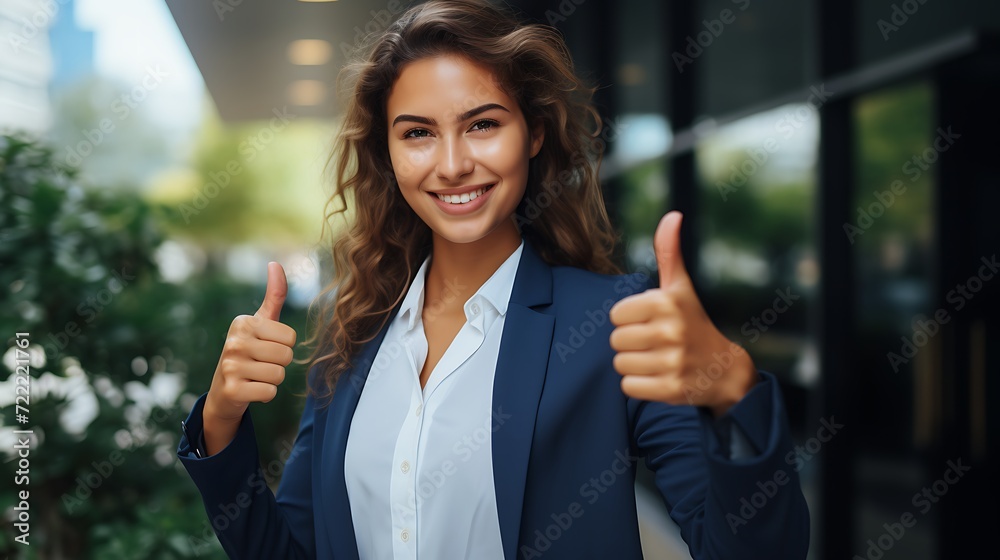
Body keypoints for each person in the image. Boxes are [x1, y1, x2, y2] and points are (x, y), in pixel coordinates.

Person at [176, 1, 810, 558]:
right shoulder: (352, 336)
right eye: (418, 133)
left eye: (482, 124)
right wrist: (221, 423)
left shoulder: (612, 323)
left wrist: (732, 389)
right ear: (388, 154)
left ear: (532, 133)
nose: (452, 165)